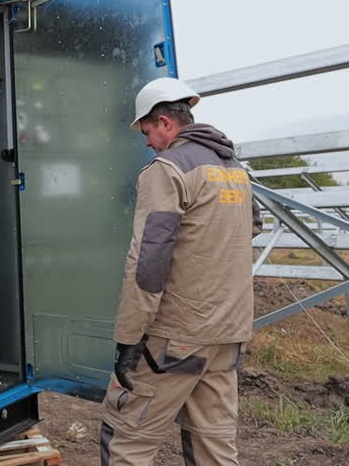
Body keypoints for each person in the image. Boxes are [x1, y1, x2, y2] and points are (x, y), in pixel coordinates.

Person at [101, 77, 256, 466]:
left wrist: (129, 337)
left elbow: (148, 262)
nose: (146, 141)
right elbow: (249, 228)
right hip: (227, 334)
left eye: (148, 130)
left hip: (176, 337)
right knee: (214, 443)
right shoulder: (234, 168)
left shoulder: (166, 169)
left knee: (127, 436)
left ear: (166, 123)